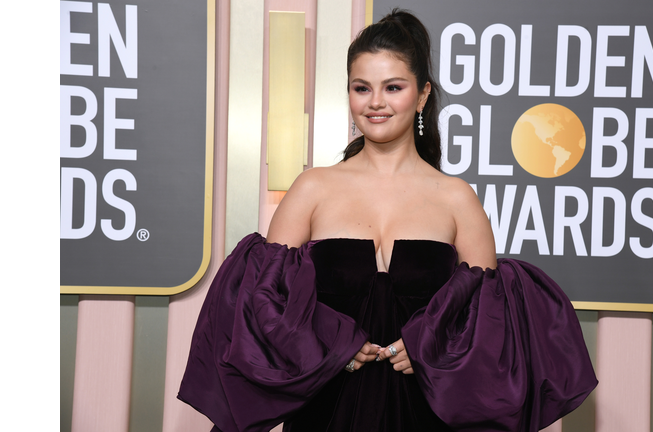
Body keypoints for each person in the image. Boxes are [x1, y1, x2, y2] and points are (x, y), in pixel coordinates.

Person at [178, 9, 597, 432]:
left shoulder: (457, 199)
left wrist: (427, 347)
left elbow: (487, 327)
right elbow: (266, 306)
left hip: (426, 414)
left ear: (421, 95)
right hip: (325, 411)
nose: (375, 102)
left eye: (393, 87)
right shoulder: (311, 189)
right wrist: (332, 341)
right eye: (362, 88)